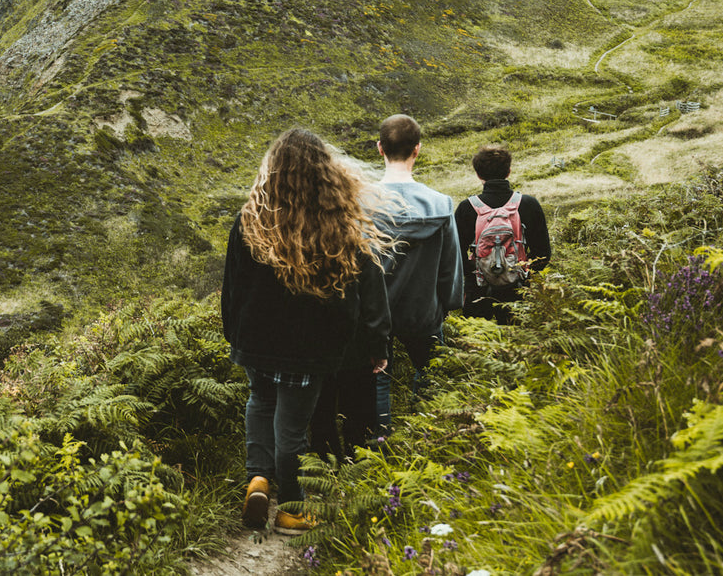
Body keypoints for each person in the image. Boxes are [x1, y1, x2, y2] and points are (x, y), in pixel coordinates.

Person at [221, 128, 391, 535]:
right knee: (293, 428)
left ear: (272, 171)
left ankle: (258, 479)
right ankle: (292, 509)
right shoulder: (341, 225)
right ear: (326, 174)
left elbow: (232, 289)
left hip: (257, 343)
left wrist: (237, 337)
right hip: (310, 349)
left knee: (260, 402)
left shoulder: (249, 221)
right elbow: (353, 299)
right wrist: (352, 344)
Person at [369, 115, 463, 431]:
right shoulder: (440, 203)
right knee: (431, 373)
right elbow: (450, 265)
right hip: (424, 309)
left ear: (380, 148)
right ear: (417, 150)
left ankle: (378, 446)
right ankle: (425, 436)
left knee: (377, 382)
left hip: (374, 314)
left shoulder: (359, 204)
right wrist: (448, 303)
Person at [454, 144, 551, 322]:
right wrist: (520, 271)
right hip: (519, 293)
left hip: (478, 293)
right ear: (508, 171)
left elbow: (455, 256)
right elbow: (543, 254)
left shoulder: (466, 208)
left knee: (478, 345)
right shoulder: (529, 204)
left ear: (478, 174)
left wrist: (479, 271)